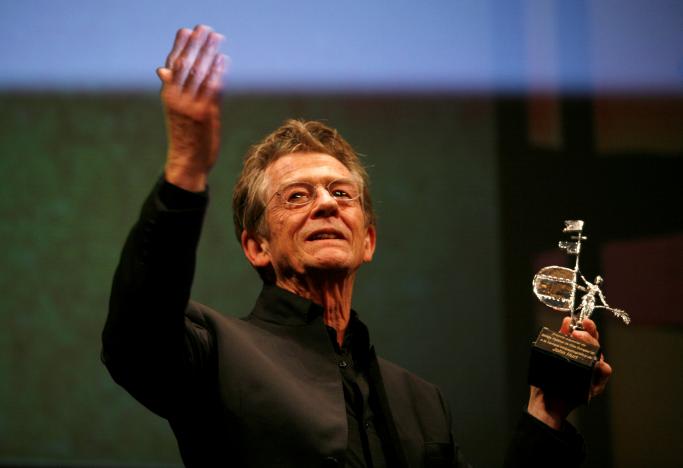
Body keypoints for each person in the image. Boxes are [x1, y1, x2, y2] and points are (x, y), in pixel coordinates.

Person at [101, 25, 611, 467]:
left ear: (367, 240)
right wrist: (186, 168)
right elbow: (136, 338)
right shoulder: (214, 351)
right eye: (296, 196)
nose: (326, 204)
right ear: (256, 246)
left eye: (341, 193)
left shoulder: (421, 402)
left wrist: (546, 413)